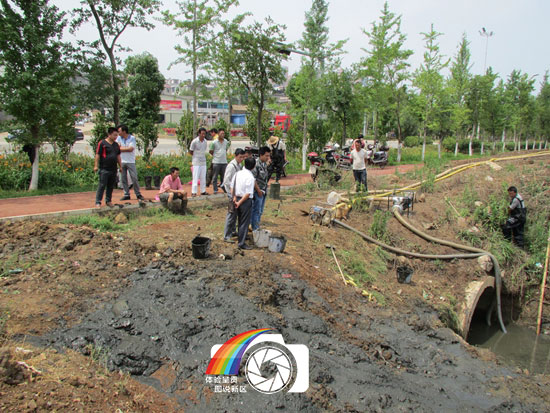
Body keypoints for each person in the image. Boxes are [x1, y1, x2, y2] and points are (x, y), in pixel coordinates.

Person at [94, 127, 122, 207]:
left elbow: (118, 156)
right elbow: (98, 155)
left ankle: (108, 200)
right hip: (104, 168)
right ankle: (98, 201)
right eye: (114, 135)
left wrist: (120, 166)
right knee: (102, 185)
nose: (116, 137)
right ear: (109, 134)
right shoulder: (102, 143)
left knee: (111, 185)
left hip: (113, 169)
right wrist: (96, 166)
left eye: (117, 135)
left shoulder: (116, 145)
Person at [233, 157, 256, 250]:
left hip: (237, 198)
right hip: (244, 201)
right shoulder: (250, 177)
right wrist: (239, 202)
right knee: (244, 222)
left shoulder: (237, 173)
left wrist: (235, 198)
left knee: (239, 221)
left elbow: (232, 186)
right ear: (253, 167)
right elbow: (247, 193)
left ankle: (240, 238)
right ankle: (241, 243)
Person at [222, 149, 245, 242]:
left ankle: (232, 231)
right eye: (240, 157)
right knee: (231, 214)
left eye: (243, 157)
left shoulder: (239, 165)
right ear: (235, 156)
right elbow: (226, 181)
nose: (241, 159)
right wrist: (231, 194)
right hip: (232, 193)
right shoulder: (231, 166)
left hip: (237, 192)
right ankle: (226, 235)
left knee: (235, 214)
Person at [116, 125, 145, 201]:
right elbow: (116, 148)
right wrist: (124, 149)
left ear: (124, 131)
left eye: (119, 131)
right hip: (121, 161)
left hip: (130, 161)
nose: (118, 133)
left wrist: (120, 148)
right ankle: (126, 194)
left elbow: (131, 149)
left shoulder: (132, 138)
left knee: (134, 178)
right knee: (123, 178)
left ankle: (138, 193)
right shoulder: (118, 138)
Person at [251, 146, 271, 231]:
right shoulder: (256, 164)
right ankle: (255, 228)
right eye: (266, 156)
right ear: (261, 155)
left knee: (260, 210)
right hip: (257, 191)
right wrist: (258, 190)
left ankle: (256, 225)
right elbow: (253, 179)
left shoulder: (264, 164)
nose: (268, 158)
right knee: (256, 210)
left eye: (269, 155)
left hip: (263, 191)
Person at [189, 127, 208, 196]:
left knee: (203, 177)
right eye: (202, 134)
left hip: (203, 161)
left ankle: (203, 191)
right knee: (195, 177)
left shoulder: (205, 141)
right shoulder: (194, 141)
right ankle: (194, 192)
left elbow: (204, 149)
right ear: (199, 134)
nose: (203, 135)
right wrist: (196, 156)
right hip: (196, 162)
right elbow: (191, 151)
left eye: (204, 134)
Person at [209, 128, 229, 193]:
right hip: (216, 162)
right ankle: (215, 189)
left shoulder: (226, 141)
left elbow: (226, 149)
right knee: (215, 176)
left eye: (223, 133)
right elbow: (211, 151)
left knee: (224, 176)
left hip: (224, 162)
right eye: (221, 133)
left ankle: (224, 188)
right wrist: (216, 155)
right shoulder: (214, 142)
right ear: (218, 134)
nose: (223, 135)